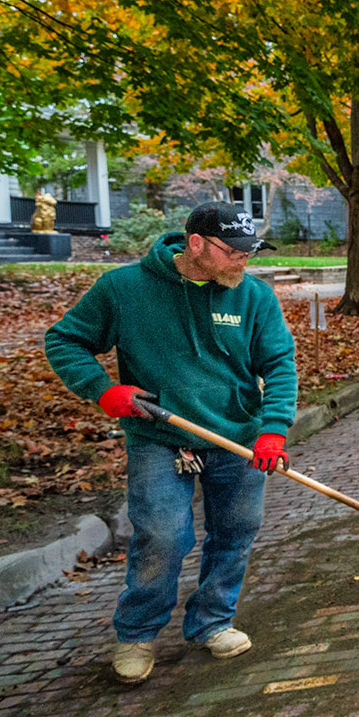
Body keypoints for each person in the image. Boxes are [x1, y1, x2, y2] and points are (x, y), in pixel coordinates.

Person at [45, 202, 296, 684]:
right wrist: (102, 389)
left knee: (236, 531)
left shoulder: (255, 297)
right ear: (195, 244)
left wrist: (273, 428)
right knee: (162, 536)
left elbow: (280, 364)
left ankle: (211, 622)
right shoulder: (123, 290)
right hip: (159, 437)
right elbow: (64, 341)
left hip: (236, 437)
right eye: (234, 252)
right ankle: (137, 633)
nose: (244, 261)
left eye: (251, 252)